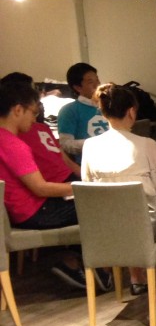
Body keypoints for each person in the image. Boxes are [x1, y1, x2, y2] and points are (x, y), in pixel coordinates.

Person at [81, 83, 156, 295]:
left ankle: (137, 279)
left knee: (125, 214)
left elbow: (88, 187)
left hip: (106, 229)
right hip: (145, 226)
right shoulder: (147, 145)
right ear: (131, 111)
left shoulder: (90, 146)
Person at [0, 81, 100, 290]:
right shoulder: (14, 145)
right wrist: (83, 186)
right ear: (18, 110)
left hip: (22, 211)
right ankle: (94, 266)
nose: (34, 118)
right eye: (33, 112)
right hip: (36, 211)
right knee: (100, 204)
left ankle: (77, 261)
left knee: (89, 202)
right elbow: (40, 188)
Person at [56, 62, 106, 162]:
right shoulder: (69, 110)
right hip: (89, 164)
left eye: (97, 80)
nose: (97, 85)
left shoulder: (109, 106)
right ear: (77, 87)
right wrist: (95, 144)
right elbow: (65, 144)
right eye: (91, 82)